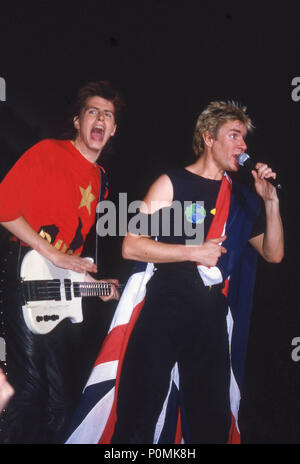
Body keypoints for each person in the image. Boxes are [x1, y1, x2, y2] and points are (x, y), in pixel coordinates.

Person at [110, 101, 284, 444]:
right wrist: (193, 252)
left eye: (244, 138)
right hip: (165, 308)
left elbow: (274, 254)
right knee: (140, 417)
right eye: (234, 135)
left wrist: (271, 202)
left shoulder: (241, 198)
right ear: (208, 138)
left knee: (210, 422)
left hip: (209, 318)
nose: (243, 146)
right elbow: (131, 244)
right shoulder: (172, 183)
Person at [0, 80, 124, 443]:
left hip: (51, 288)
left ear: (113, 129)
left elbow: (71, 257)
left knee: (61, 401)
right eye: (92, 111)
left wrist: (94, 286)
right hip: (23, 269)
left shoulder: (101, 180)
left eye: (108, 115)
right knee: (28, 388)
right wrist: (52, 252)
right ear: (77, 120)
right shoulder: (48, 152)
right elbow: (5, 209)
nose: (100, 119)